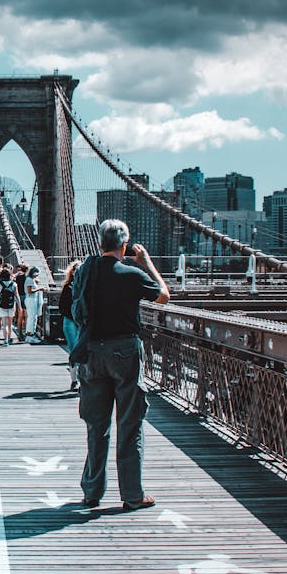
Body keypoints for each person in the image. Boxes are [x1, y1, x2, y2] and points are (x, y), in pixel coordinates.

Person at [75, 219, 169, 511]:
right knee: (129, 424)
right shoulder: (131, 274)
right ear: (124, 246)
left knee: (96, 424)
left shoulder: (85, 271)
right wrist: (147, 263)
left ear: (100, 243)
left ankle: (92, 492)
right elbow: (164, 296)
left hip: (91, 352)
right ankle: (132, 494)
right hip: (124, 353)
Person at [57, 260, 80, 389]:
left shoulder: (87, 287)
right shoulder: (68, 287)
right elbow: (62, 307)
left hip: (81, 322)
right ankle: (74, 380)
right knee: (74, 350)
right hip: (71, 321)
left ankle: (82, 379)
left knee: (84, 351)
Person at [0, 266, 20, 345]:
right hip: (11, 305)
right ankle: (9, 339)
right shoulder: (14, 284)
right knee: (10, 324)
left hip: (2, 305)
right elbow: (17, 296)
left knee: (4, 324)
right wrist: (20, 307)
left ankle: (5, 341)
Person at [23, 265, 43, 340]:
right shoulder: (29, 280)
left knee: (33, 317)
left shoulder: (30, 279)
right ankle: (30, 334)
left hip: (31, 299)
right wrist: (39, 288)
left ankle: (31, 333)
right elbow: (29, 291)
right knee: (32, 317)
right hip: (31, 299)